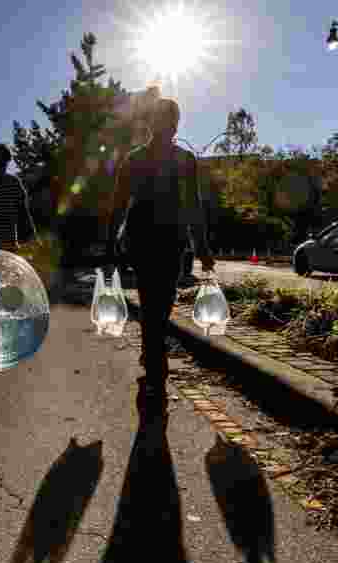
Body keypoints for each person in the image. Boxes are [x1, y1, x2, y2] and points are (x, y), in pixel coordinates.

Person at [101, 95, 215, 430]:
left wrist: (110, 243)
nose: (169, 126)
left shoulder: (142, 158)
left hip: (152, 240)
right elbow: (123, 203)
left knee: (155, 305)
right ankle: (155, 366)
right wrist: (203, 247)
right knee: (157, 305)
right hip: (160, 240)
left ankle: (153, 361)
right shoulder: (171, 159)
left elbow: (119, 206)